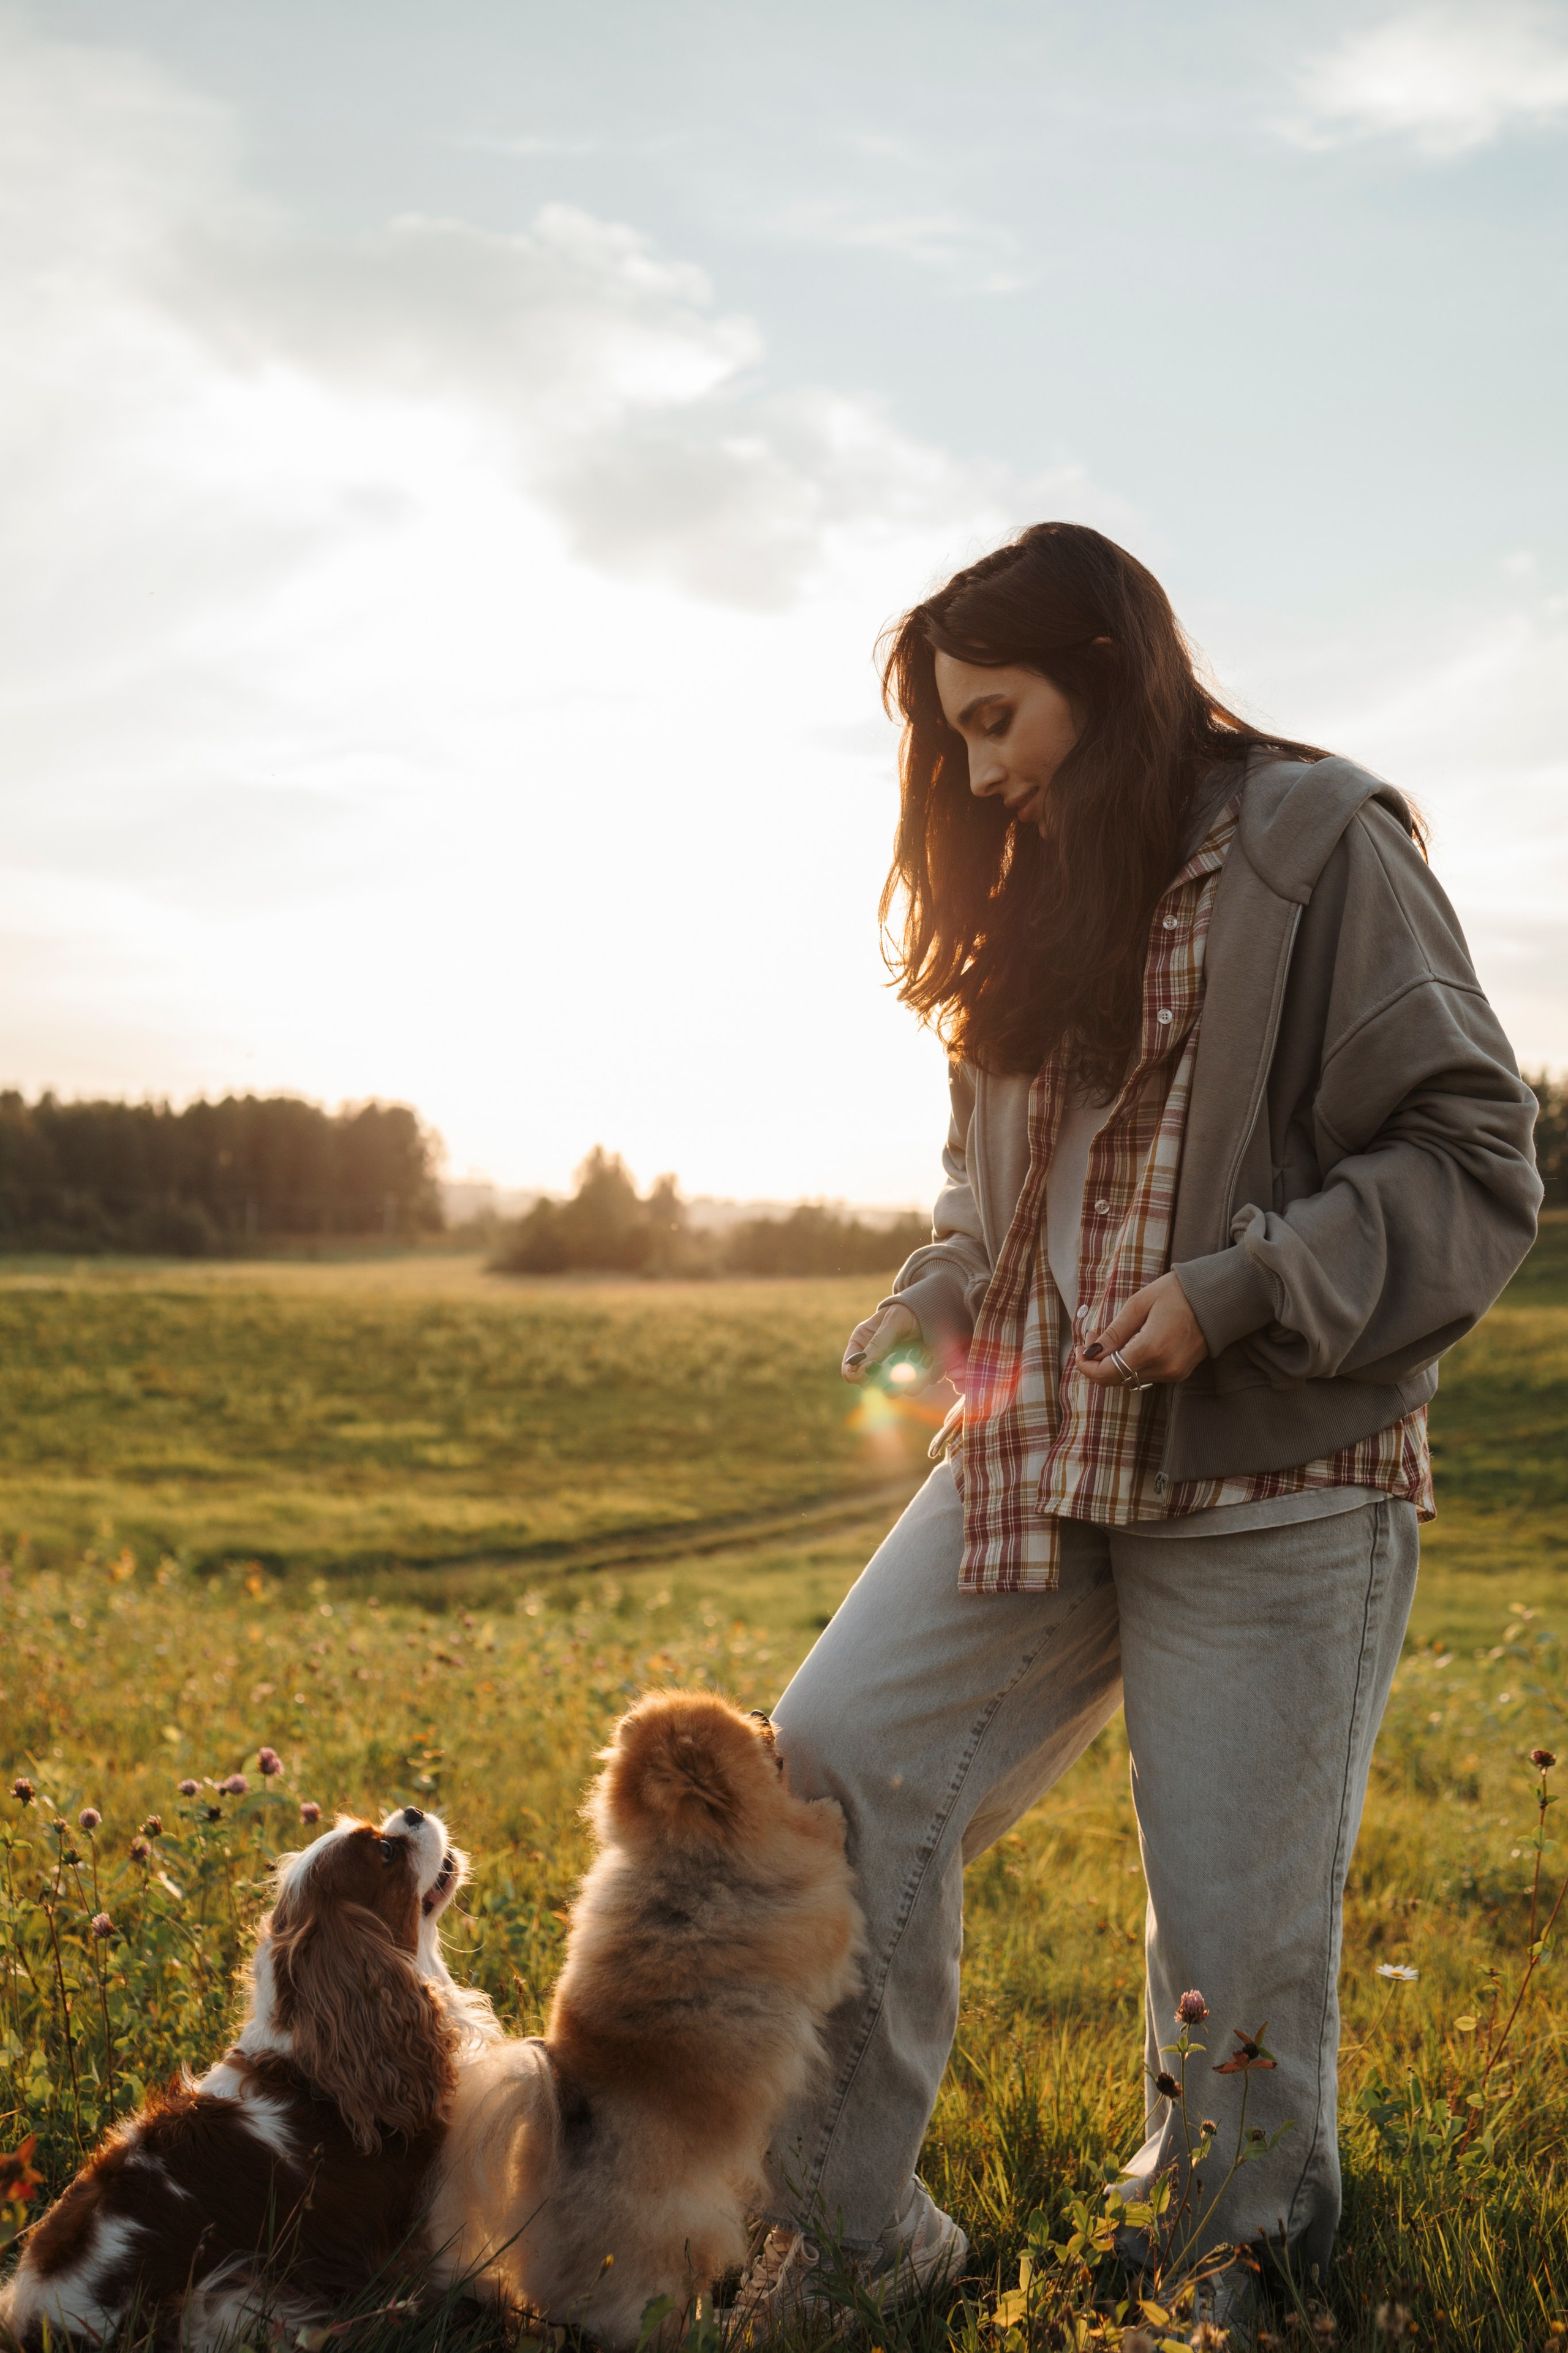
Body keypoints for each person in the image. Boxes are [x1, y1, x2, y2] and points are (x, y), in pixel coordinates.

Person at [736, 524, 1540, 2337]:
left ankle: (1225, 2260)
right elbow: (982, 1195)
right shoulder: (1026, 881)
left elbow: (1476, 1160)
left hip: (1275, 1471)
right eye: (952, 739)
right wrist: (932, 1303)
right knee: (834, 1754)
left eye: (999, 716)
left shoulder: (1324, 845)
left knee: (1232, 1925)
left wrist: (1240, 1291)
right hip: (1042, 1456)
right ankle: (851, 2233)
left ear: (1111, 666)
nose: (979, 766)